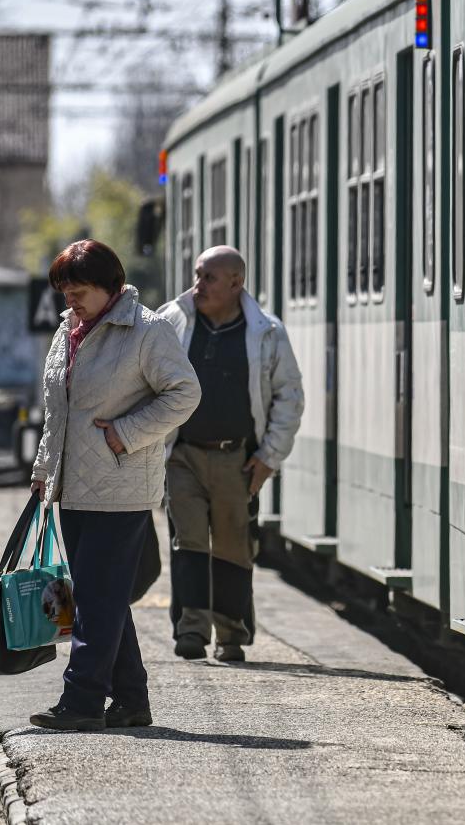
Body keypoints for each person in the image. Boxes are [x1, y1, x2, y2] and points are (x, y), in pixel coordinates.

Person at [27, 239, 201, 731]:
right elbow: (57, 412)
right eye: (65, 292)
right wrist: (44, 470)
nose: (70, 301)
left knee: (97, 601)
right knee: (101, 596)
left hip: (120, 488)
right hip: (73, 487)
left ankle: (81, 702)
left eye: (79, 291)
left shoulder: (147, 330)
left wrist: (126, 434)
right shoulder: (68, 333)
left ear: (110, 287)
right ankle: (130, 702)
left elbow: (185, 393)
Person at [157, 245, 304, 662]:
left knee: (233, 547)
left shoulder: (267, 333)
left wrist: (269, 457)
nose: (197, 286)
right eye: (197, 275)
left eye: (208, 278)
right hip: (182, 454)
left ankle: (231, 634)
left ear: (236, 283)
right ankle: (190, 631)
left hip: (236, 458)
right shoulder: (173, 322)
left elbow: (289, 397)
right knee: (187, 543)